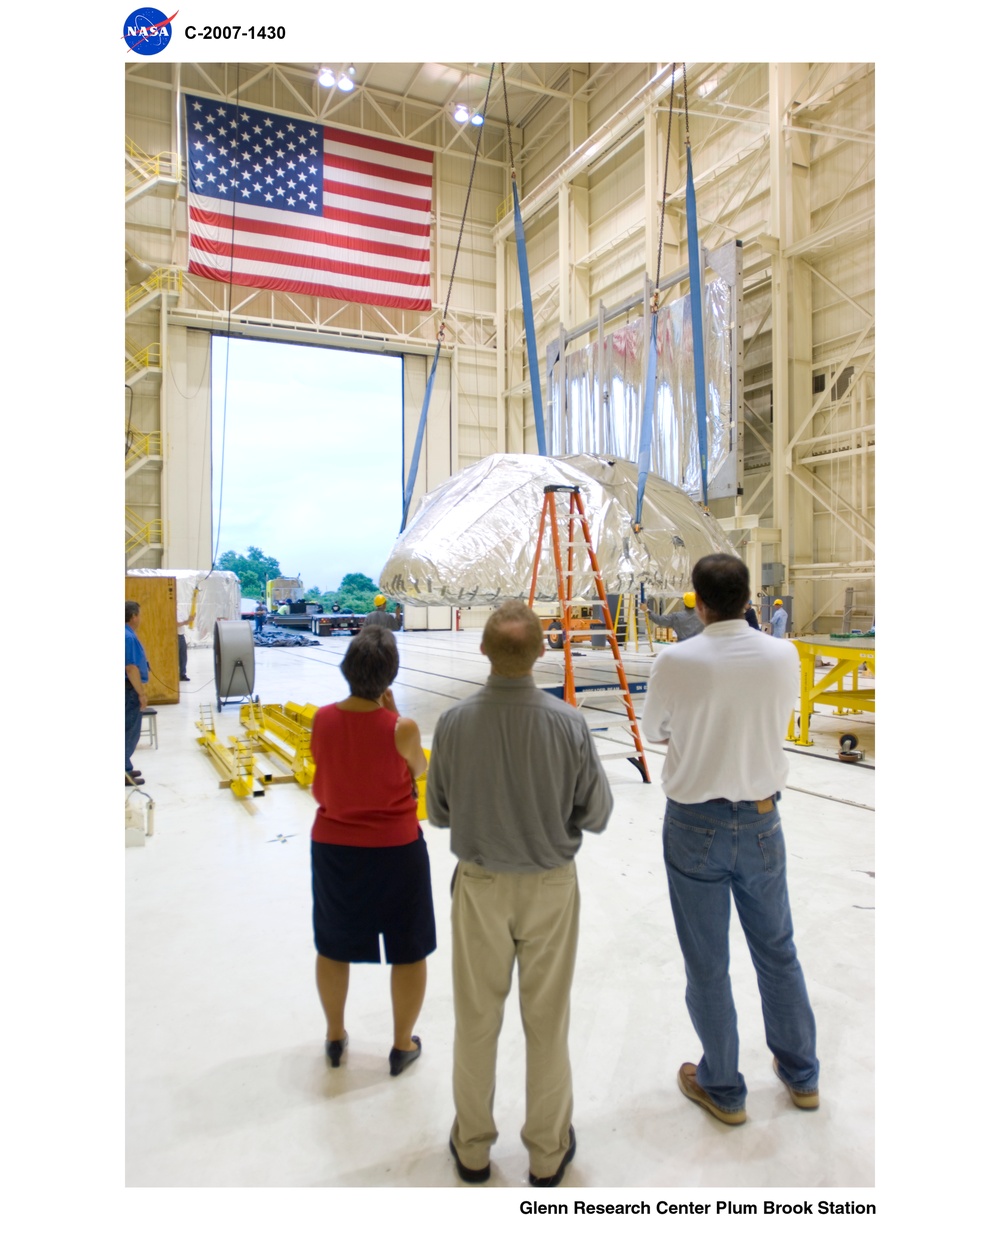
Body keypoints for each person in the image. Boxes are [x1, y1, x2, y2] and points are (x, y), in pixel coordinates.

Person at [426, 600, 613, 1188]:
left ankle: (474, 1148)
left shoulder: (454, 725)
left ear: (483, 650)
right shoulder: (569, 723)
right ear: (541, 653)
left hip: (480, 886)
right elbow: (599, 812)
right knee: (547, 1020)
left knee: (476, 1020)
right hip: (550, 887)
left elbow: (438, 812)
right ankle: (547, 1153)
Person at [642, 553, 819, 1126]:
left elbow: (655, 729)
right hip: (765, 821)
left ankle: (722, 1085)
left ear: (698, 600)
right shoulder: (782, 653)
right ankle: (802, 1076)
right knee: (778, 951)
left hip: (695, 824)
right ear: (749, 598)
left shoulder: (677, 659)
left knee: (708, 962)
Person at [309, 626, 434, 1077]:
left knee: (333, 943)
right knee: (407, 947)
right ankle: (402, 1045)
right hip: (395, 848)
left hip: (333, 846)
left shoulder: (322, 719)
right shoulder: (402, 728)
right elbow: (418, 769)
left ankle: (336, 1036)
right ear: (390, 675)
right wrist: (396, 716)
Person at [125, 601, 149, 785]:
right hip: (129, 690)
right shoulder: (128, 637)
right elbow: (131, 668)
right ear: (133, 616)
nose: (140, 619)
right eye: (139, 615)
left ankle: (126, 767)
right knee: (129, 731)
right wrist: (141, 694)